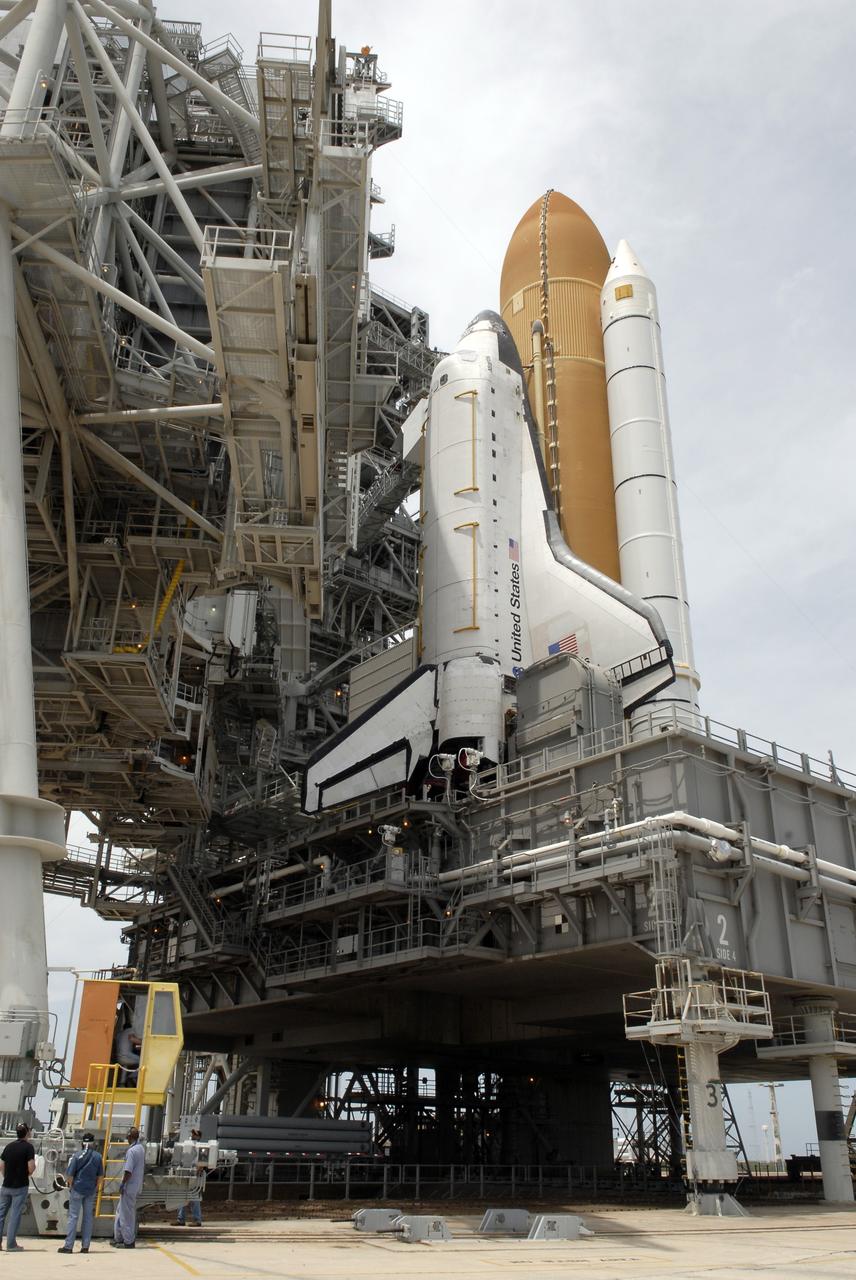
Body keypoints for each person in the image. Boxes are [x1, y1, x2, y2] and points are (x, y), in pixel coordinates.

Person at [58, 1133, 104, 1254]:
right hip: (90, 1191)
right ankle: (85, 1246)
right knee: (88, 1218)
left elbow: (69, 1176)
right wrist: (95, 1188)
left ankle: (68, 1246)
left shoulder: (76, 1156)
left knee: (73, 1217)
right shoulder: (98, 1157)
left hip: (77, 1189)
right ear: (93, 1143)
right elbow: (100, 1177)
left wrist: (71, 1186)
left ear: (83, 1143)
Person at [0, 1122, 35, 1252]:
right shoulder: (28, 1147)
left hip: (6, 1186)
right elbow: (31, 1166)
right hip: (20, 1186)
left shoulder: (8, 1147)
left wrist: (7, 1176)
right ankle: (11, 1244)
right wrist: (29, 1173)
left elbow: (1, 1166)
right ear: (27, 1133)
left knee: (1, 1215)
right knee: (15, 1215)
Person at [110, 1127, 145, 1249]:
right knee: (120, 1211)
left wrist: (123, 1184)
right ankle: (118, 1237)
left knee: (126, 1215)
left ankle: (129, 1241)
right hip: (135, 1186)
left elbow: (128, 1171)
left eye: (128, 1138)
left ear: (130, 1137)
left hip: (129, 1187)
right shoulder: (140, 1148)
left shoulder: (132, 1151)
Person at [176, 1129, 203, 1226]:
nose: (192, 1135)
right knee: (182, 1195)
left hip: (194, 1173)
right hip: (186, 1171)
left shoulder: (200, 1146)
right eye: (192, 1133)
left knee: (194, 1197)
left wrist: (198, 1170)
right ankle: (181, 1219)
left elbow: (202, 1160)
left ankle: (197, 1220)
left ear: (199, 1136)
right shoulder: (189, 1144)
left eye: (195, 1134)